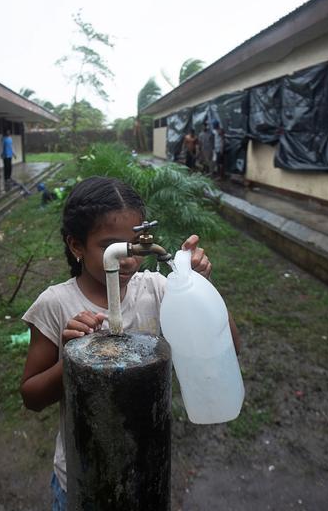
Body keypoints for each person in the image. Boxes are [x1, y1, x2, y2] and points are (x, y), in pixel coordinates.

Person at [19, 176, 241, 509]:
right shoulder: (56, 305)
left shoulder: (157, 291)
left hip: (147, 468)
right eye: (110, 245)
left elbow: (229, 346)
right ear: (76, 245)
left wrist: (199, 288)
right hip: (82, 474)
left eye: (134, 244)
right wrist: (73, 359)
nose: (127, 258)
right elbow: (31, 396)